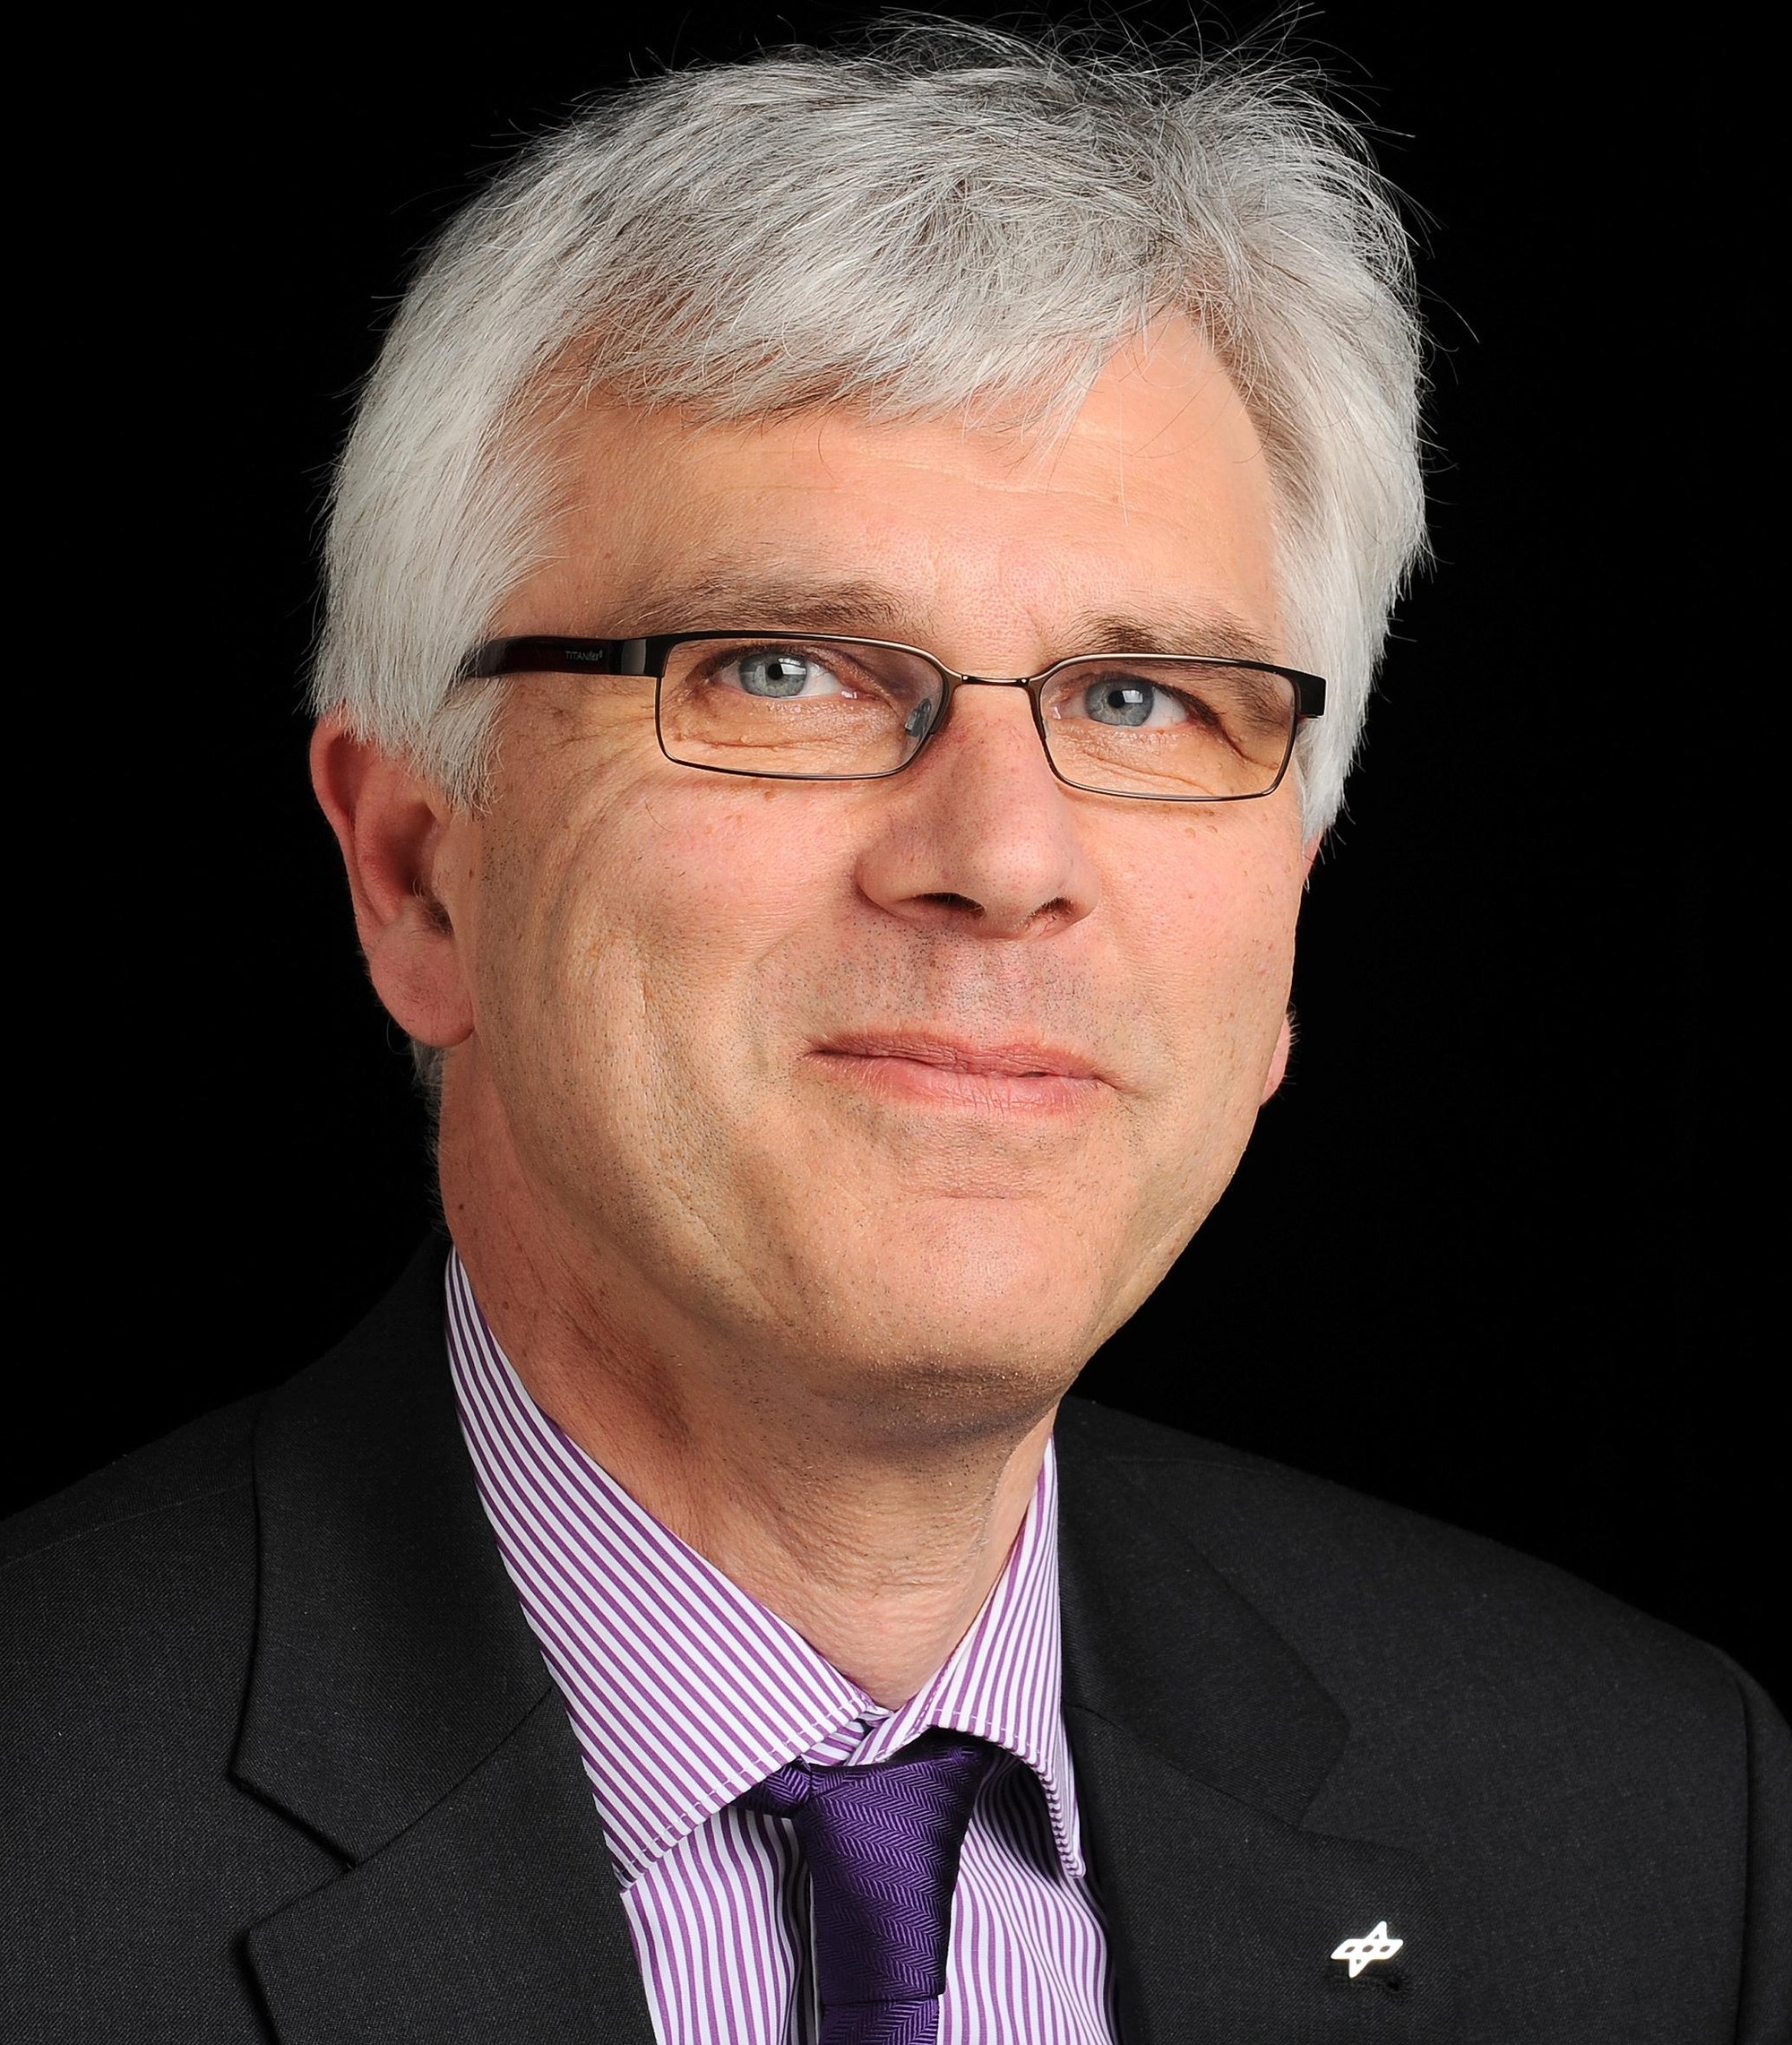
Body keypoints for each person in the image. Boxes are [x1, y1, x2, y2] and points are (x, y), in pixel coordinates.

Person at [4, 22, 1785, 2045]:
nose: (1004, 859)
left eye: (1142, 699)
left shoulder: (1645, 1830)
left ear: (1288, 917)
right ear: (420, 873)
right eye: (782, 670)